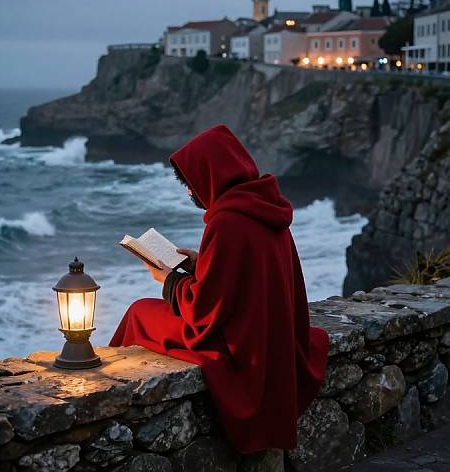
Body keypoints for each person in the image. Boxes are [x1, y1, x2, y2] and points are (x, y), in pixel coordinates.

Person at [110, 124, 330, 454]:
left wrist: (167, 279)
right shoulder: (266, 205)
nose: (189, 193)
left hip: (241, 345)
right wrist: (202, 263)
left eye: (191, 184)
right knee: (144, 311)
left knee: (140, 311)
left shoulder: (227, 221)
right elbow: (251, 275)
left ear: (211, 176)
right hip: (270, 333)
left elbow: (204, 311)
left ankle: (112, 414)